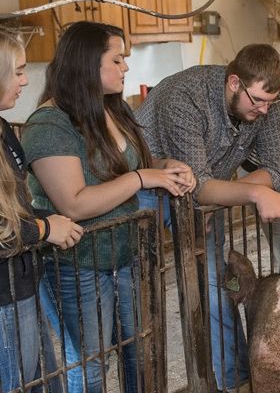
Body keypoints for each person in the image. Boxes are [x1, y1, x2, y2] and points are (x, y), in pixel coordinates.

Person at [21, 21, 195, 393]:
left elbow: (129, 166)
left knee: (140, 349)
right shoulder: (49, 124)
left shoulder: (109, 109)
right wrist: (143, 179)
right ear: (87, 64)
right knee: (91, 363)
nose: (126, 67)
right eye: (117, 59)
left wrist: (165, 168)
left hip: (125, 255)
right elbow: (75, 202)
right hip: (76, 263)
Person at [136, 43, 280, 391]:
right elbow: (199, 187)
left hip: (206, 188)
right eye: (257, 101)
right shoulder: (186, 97)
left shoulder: (267, 99)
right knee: (170, 288)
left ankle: (235, 378)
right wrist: (252, 192)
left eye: (271, 103)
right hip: (146, 188)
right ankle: (224, 380)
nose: (265, 111)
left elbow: (278, 169)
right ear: (234, 82)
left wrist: (221, 196)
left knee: (214, 283)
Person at [0, 29, 83, 393]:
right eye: (17, 70)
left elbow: (15, 206)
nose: (25, 79)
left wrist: (43, 222)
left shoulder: (4, 129)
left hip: (21, 284)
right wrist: (46, 230)